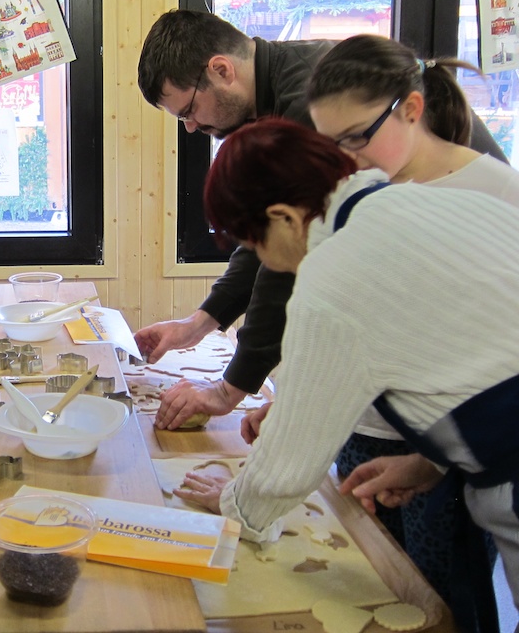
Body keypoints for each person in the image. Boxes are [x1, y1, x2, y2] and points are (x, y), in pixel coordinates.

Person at [171, 118, 519, 615]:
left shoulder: (334, 275)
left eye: (258, 246)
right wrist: (430, 460)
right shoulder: (431, 200)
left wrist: (238, 506)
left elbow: (286, 469)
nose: (269, 263)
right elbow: (477, 356)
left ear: (285, 217)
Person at [132, 10, 507, 431]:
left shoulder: (312, 99)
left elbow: (287, 262)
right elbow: (271, 240)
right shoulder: (280, 85)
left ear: (220, 70)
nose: (191, 127)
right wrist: (199, 324)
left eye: (189, 110)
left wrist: (229, 390)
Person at [294, 34, 517, 632]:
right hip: (400, 441)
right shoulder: (369, 196)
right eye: (332, 144)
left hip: (474, 455)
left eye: (356, 138)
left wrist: (435, 461)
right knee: (384, 591)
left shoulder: (496, 193)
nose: (347, 157)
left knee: (449, 599)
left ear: (412, 109)